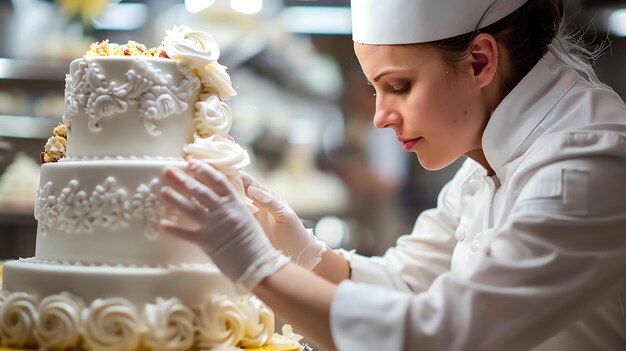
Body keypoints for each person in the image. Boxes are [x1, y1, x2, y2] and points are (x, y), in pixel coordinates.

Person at [159, 0, 626, 349]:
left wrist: (257, 265)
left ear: (480, 61)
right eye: (375, 89)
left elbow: (442, 334)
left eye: (399, 87)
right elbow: (407, 282)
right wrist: (303, 253)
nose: (380, 117)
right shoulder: (485, 161)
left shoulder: (586, 162)